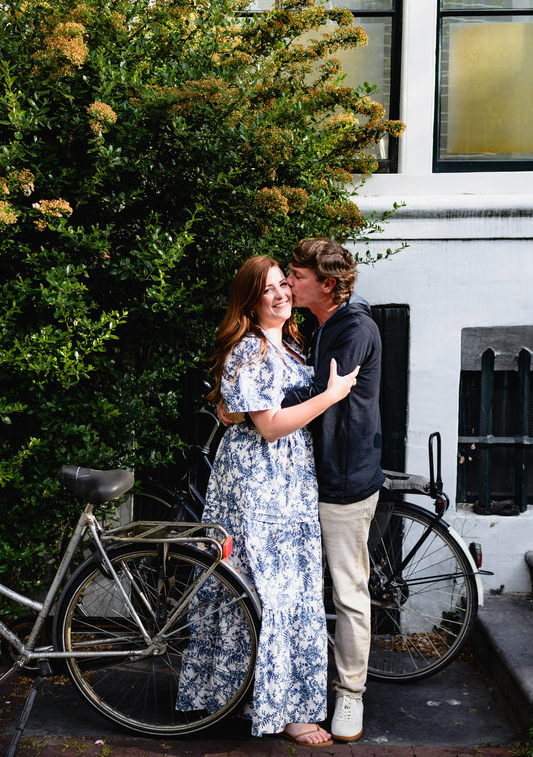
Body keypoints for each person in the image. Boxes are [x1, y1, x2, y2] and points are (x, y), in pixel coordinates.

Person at [176, 255, 359, 747]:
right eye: (267, 290)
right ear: (250, 302)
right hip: (258, 485)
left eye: (283, 284)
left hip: (287, 483)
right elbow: (271, 426)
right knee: (270, 594)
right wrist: (332, 395)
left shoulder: (289, 344)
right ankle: (284, 712)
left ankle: (262, 701)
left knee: (287, 591)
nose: (280, 294)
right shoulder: (251, 350)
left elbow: (243, 408)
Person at [282, 238, 383, 743]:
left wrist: (256, 402)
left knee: (348, 592)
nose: (288, 283)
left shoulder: (355, 329)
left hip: (344, 479)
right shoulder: (323, 323)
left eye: (297, 277)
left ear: (326, 284)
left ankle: (350, 697)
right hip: (315, 474)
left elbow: (321, 393)